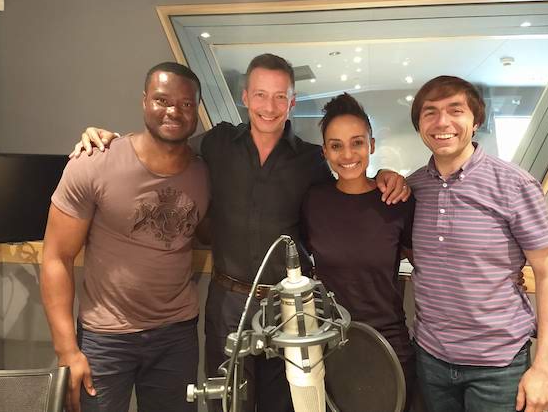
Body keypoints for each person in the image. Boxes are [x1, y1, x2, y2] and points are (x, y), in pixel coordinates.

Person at [70, 53, 410, 412]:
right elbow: (165, 146)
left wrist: (384, 175)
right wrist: (111, 140)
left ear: (292, 102)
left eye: (280, 96)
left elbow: (349, 186)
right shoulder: (217, 144)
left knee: (285, 402)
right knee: (227, 402)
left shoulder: (311, 161)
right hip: (227, 303)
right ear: (246, 97)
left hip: (287, 308)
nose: (269, 107)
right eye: (260, 95)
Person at [41, 62, 210, 412]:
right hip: (105, 338)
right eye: (162, 100)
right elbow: (56, 256)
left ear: (197, 110)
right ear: (144, 100)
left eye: (186, 104)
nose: (174, 111)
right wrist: (66, 350)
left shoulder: (204, 173)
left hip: (176, 336)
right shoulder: (94, 162)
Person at [407, 75, 548, 412]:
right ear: (419, 125)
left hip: (498, 365)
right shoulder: (414, 188)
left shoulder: (514, 185)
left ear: (476, 120)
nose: (442, 122)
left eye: (456, 110)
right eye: (430, 112)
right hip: (431, 358)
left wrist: (545, 367)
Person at [301, 93, 416, 411]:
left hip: (389, 341)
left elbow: (425, 262)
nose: (348, 154)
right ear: (324, 151)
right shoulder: (313, 202)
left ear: (372, 145)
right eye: (336, 145)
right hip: (331, 343)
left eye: (357, 143)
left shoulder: (396, 201)